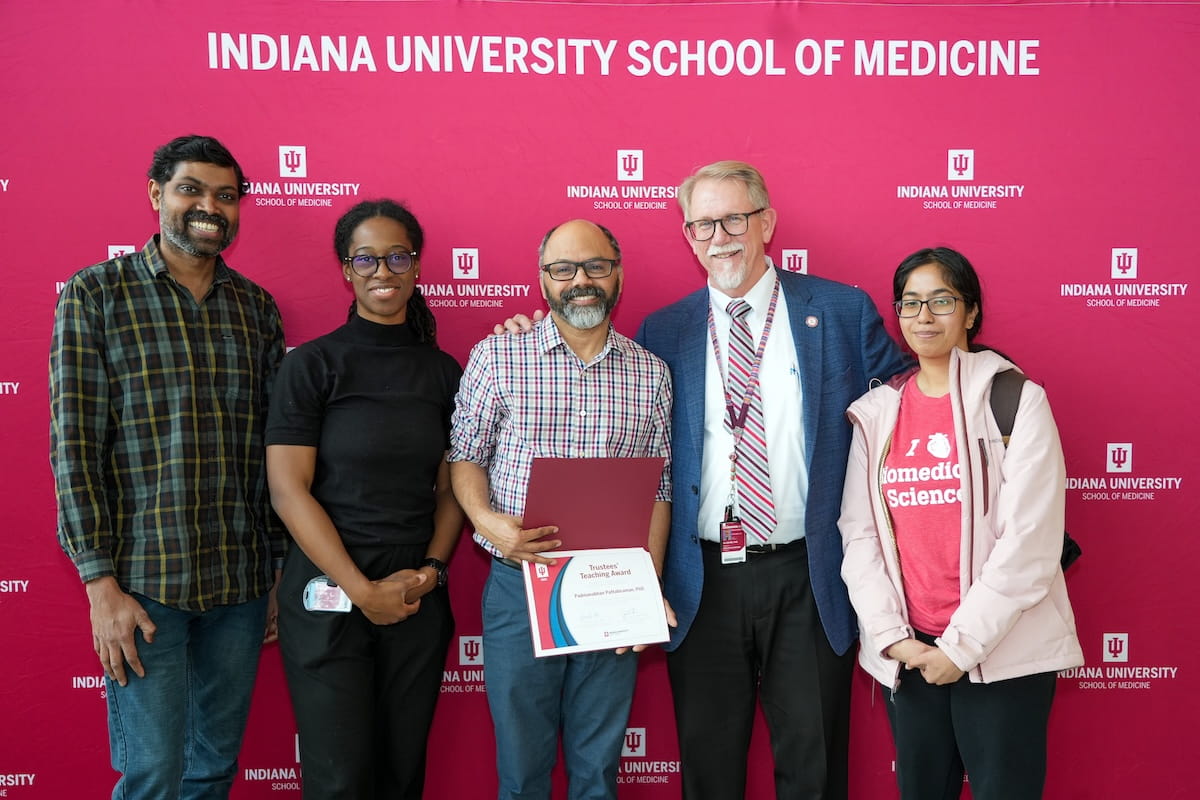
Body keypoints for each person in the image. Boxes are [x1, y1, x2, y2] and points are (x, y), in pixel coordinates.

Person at [634, 160, 909, 799]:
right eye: (702, 224)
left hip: (808, 577)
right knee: (709, 771)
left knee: (813, 770)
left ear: (768, 223)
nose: (719, 237)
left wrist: (985, 381)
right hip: (700, 579)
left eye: (734, 218)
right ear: (686, 235)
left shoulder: (841, 311)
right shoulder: (663, 332)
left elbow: (912, 402)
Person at [49, 134, 285, 799]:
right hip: (143, 586)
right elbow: (75, 447)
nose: (209, 206)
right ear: (156, 194)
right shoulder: (96, 295)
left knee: (212, 771)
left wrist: (272, 572)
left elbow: (271, 451)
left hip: (239, 585)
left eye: (225, 195)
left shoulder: (256, 309)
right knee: (151, 774)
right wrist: (100, 585)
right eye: (191, 189)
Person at [837, 246, 1083, 800]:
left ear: (970, 312)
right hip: (914, 655)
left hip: (1002, 652)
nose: (924, 316)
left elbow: (1031, 544)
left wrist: (960, 647)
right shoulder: (875, 415)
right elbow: (860, 536)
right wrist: (893, 639)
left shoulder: (1016, 400)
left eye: (941, 301)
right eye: (910, 303)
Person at [449, 219, 673, 800]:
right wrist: (485, 520)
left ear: (617, 274)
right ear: (542, 279)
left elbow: (660, 487)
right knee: (522, 770)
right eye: (564, 269)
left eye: (596, 267)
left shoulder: (651, 374)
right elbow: (465, 457)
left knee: (597, 772)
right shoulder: (497, 356)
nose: (581, 281)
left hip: (610, 587)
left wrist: (646, 586)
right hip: (519, 583)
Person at [265, 199, 463, 798]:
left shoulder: (445, 372)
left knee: (402, 775)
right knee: (341, 780)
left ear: (418, 267)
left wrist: (430, 572)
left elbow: (454, 489)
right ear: (346, 270)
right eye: (367, 258)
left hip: (415, 593)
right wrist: (359, 590)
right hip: (329, 590)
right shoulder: (313, 366)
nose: (384, 270)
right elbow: (287, 489)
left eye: (398, 256)